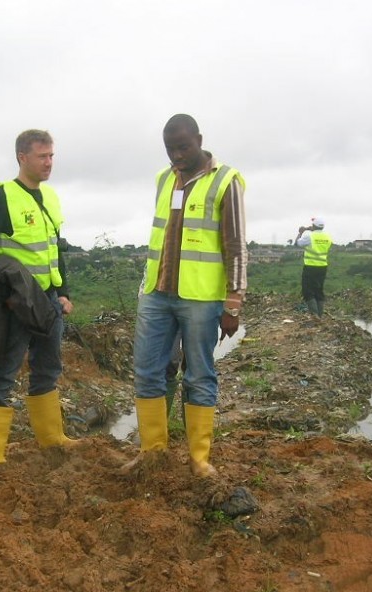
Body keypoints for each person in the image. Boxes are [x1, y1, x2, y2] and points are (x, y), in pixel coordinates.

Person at [125, 113, 247, 477]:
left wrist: (234, 302)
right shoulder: (164, 179)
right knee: (148, 372)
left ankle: (198, 460)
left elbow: (236, 245)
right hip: (157, 294)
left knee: (199, 375)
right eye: (170, 148)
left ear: (199, 139)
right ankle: (152, 454)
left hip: (201, 298)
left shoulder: (225, 180)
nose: (176, 155)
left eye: (183, 147)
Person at [0, 129, 78, 466]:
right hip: (14, 301)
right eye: (42, 156)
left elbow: (54, 250)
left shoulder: (51, 198)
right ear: (22, 157)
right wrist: (6, 297)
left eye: (51, 156)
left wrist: (63, 293)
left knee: (48, 368)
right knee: (2, 372)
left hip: (47, 300)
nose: (49, 162)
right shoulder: (1, 196)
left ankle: (52, 439)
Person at [293, 216, 332, 317]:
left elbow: (297, 243)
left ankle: (315, 316)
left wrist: (301, 232)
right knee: (319, 292)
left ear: (314, 226)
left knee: (308, 292)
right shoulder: (328, 237)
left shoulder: (310, 236)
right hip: (323, 267)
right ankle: (320, 316)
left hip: (310, 267)